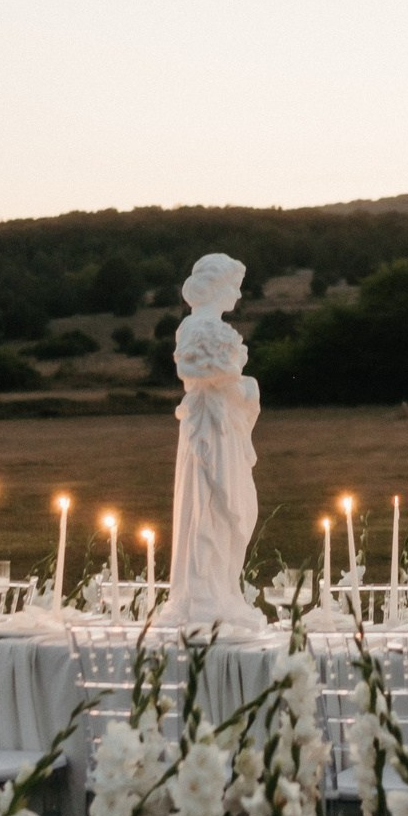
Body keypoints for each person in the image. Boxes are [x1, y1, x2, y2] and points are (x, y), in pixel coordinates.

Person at [154, 253, 267, 631]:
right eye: (234, 285)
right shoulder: (193, 326)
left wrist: (241, 385)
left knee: (236, 506)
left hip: (227, 426)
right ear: (216, 287)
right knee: (211, 504)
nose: (237, 294)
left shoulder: (215, 328)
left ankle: (224, 589)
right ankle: (204, 594)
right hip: (209, 428)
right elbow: (191, 371)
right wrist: (236, 380)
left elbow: (223, 375)